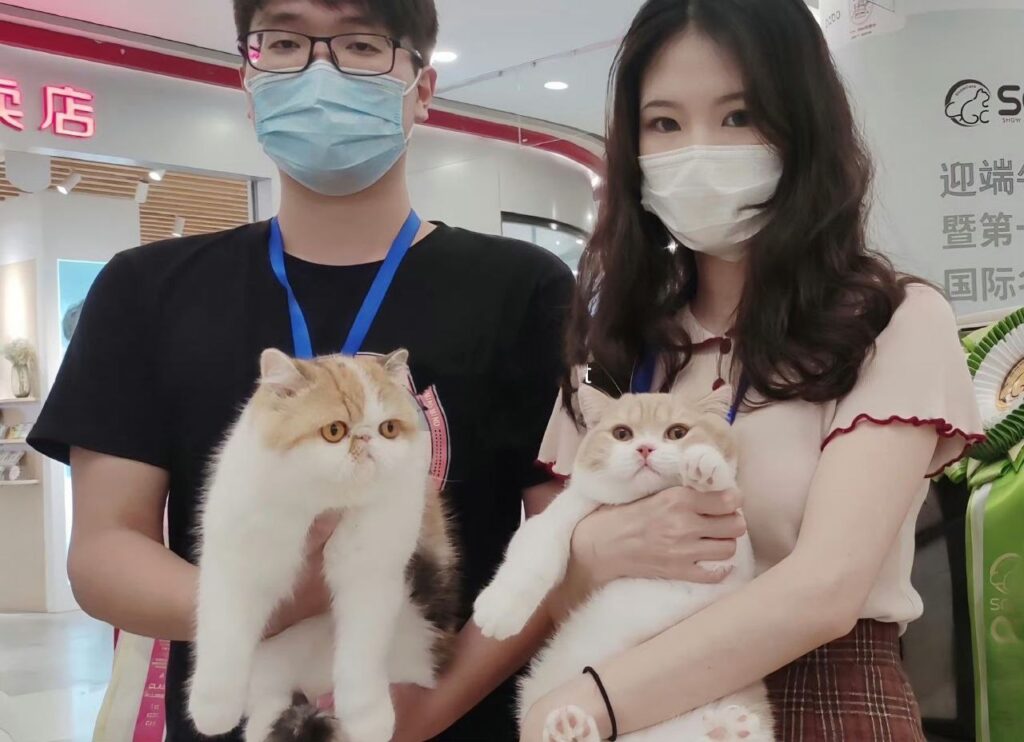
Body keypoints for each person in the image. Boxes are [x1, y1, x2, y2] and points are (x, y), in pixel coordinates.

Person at [29, 1, 594, 739]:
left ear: (422, 88)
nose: (320, 69)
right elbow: (105, 550)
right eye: (285, 42)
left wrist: (428, 709)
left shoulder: (525, 289)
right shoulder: (145, 289)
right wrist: (266, 604)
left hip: (446, 707)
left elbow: (567, 538)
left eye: (361, 44)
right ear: (249, 76)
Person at [517, 0, 985, 740]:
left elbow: (827, 588)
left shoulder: (888, 319)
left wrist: (596, 700)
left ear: (803, 126)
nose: (699, 150)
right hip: (635, 703)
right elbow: (561, 595)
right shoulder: (616, 344)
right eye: (664, 123)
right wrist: (593, 553)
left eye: (739, 116)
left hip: (819, 698)